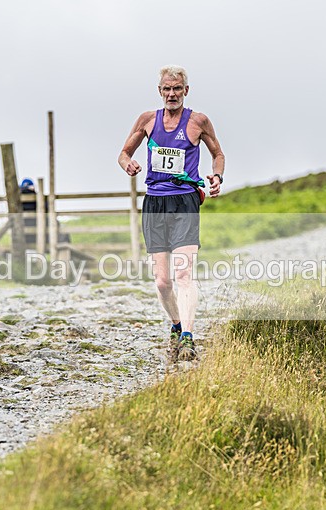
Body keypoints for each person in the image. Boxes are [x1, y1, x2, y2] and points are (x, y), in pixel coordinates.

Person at [118, 65, 224, 361]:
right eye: (167, 88)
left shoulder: (198, 121)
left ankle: (189, 337)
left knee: (184, 273)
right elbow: (124, 152)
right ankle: (176, 325)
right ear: (160, 91)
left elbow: (218, 154)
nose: (172, 94)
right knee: (163, 282)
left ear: (186, 91)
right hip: (155, 203)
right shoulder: (147, 120)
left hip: (185, 201)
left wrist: (217, 177)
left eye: (177, 88)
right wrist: (127, 163)